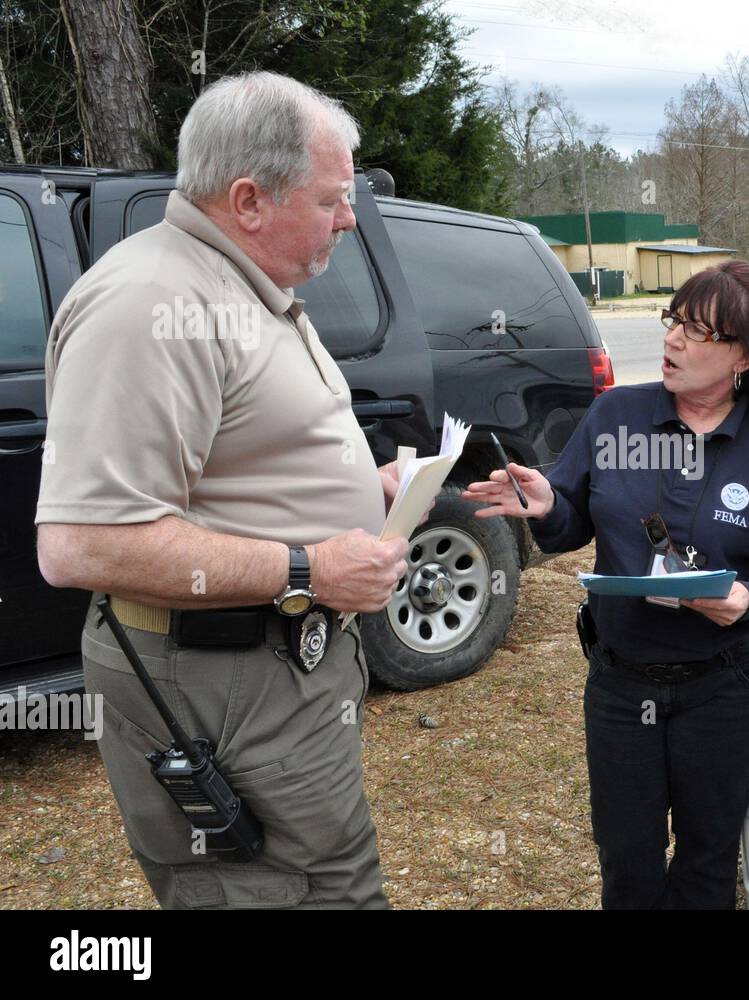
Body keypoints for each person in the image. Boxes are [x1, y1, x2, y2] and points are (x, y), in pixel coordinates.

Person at [35, 72, 417, 909]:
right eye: (333, 199)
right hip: (218, 680)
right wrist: (310, 567)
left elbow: (242, 461)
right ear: (249, 199)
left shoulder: (237, 284)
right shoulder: (153, 303)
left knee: (328, 876)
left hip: (269, 671)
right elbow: (81, 545)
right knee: (282, 890)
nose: (350, 219)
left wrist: (363, 487)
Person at [464, 260, 749, 908]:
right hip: (622, 684)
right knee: (627, 856)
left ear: (745, 356)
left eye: (698, 332)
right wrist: (550, 502)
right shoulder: (616, 416)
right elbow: (573, 516)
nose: (673, 341)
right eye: (674, 322)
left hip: (729, 687)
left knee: (708, 859)